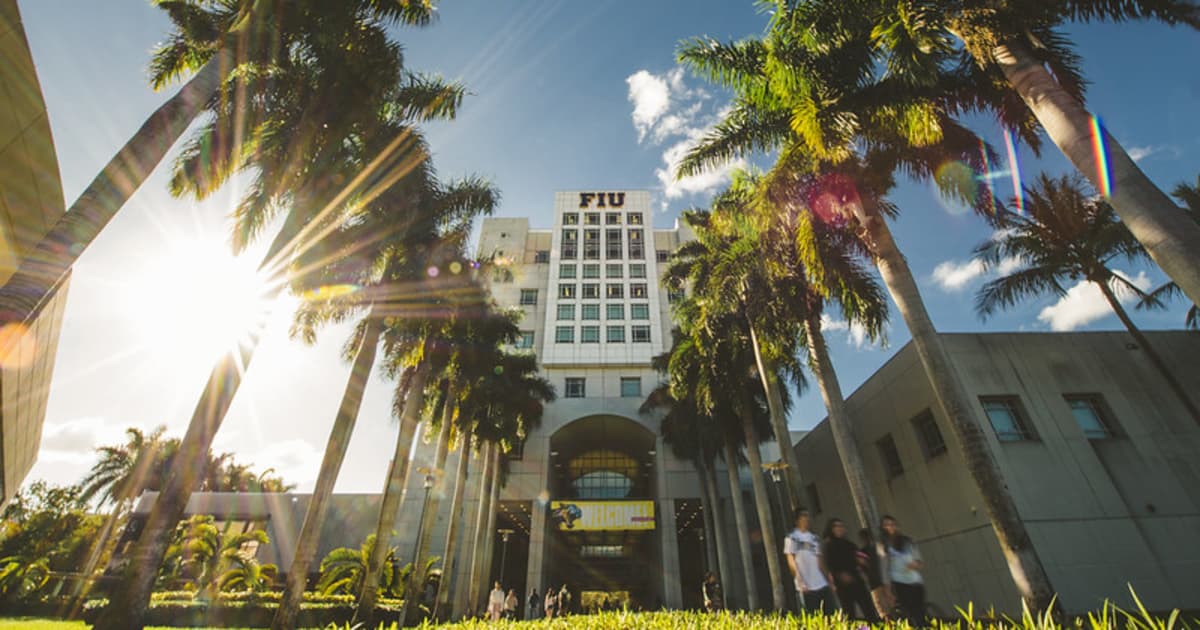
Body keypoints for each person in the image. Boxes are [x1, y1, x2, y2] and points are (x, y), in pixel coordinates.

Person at [823, 518, 878, 622]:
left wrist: (863, 562)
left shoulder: (850, 545)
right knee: (849, 614)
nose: (839, 529)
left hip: (857, 581)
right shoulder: (829, 545)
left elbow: (860, 557)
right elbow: (829, 564)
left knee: (869, 610)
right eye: (836, 526)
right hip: (842, 585)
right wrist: (839, 575)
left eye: (841, 526)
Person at [783, 507, 834, 614]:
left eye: (808, 516)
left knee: (831, 615)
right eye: (803, 516)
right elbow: (791, 560)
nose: (807, 518)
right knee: (814, 618)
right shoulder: (791, 537)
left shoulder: (814, 538)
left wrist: (828, 578)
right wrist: (799, 580)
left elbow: (820, 561)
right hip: (806, 587)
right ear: (797, 520)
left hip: (822, 584)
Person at [881, 515, 926, 626]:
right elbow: (884, 568)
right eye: (886, 525)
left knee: (920, 613)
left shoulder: (908, 541)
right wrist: (887, 589)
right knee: (912, 613)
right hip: (900, 584)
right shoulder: (883, 546)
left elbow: (919, 561)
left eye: (892, 524)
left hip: (915, 582)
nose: (890, 527)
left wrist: (916, 564)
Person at [859, 527, 893, 621]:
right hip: (885, 579)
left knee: (883, 611)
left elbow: (862, 567)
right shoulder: (878, 547)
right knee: (892, 605)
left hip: (874, 583)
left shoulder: (861, 552)